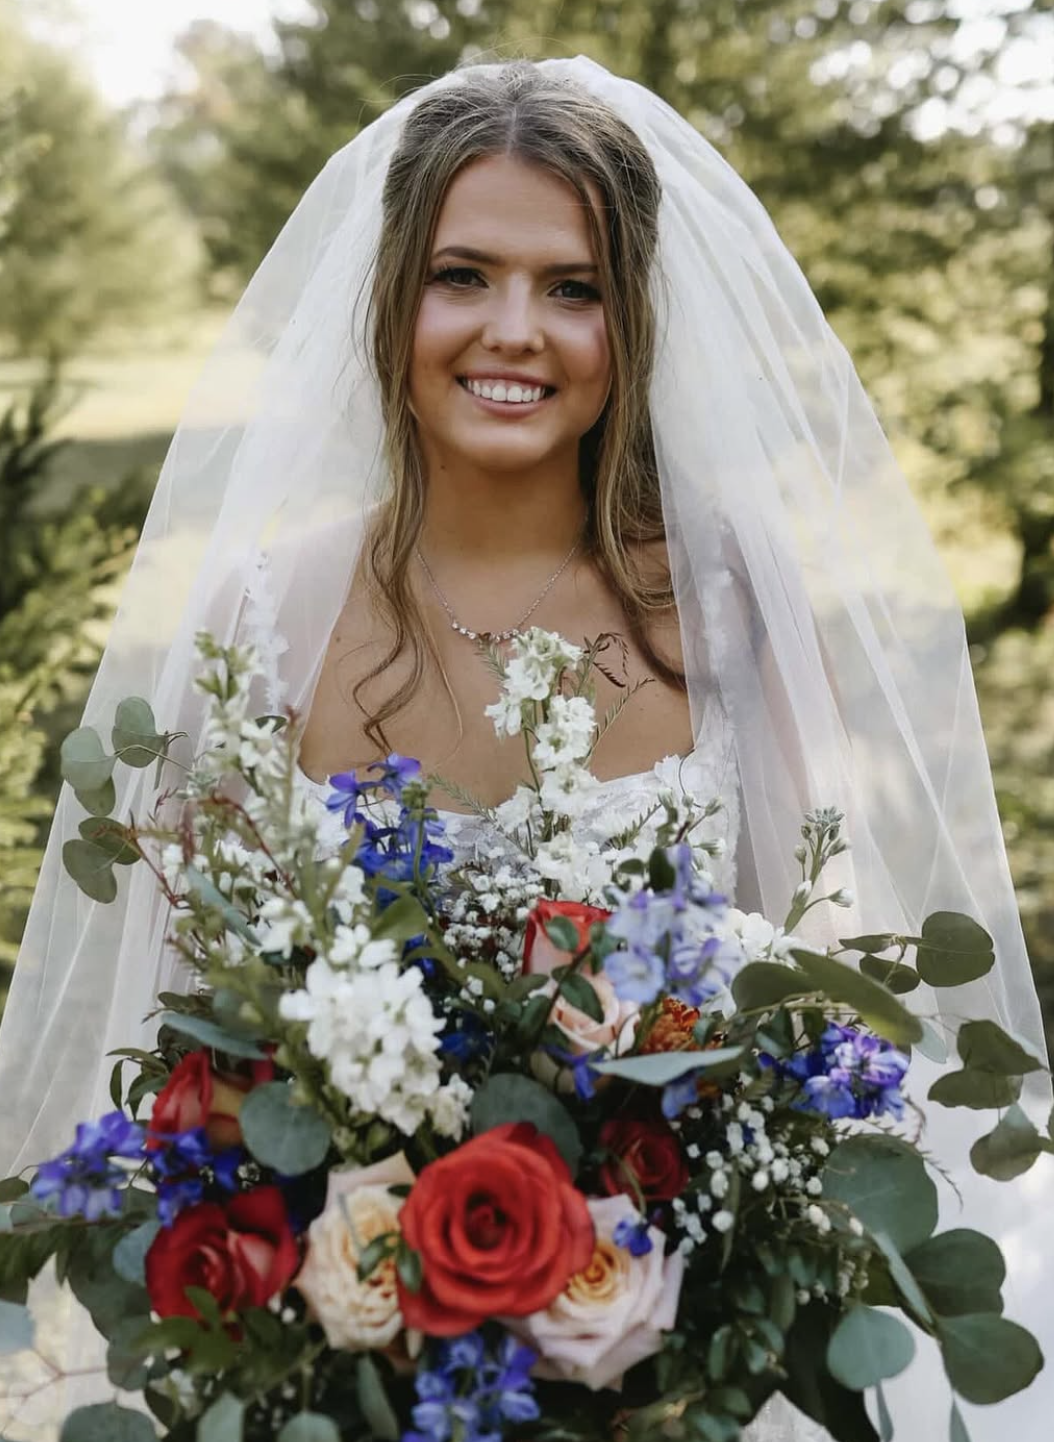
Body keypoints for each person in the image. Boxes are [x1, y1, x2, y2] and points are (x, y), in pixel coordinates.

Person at [0, 56, 1049, 1440]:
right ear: (392, 300)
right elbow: (207, 1037)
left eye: (573, 287)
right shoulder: (269, 612)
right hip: (348, 1357)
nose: (515, 331)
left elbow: (812, 984)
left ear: (632, 323)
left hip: (690, 1363)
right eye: (462, 275)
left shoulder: (725, 607)